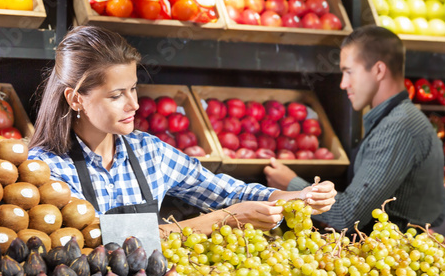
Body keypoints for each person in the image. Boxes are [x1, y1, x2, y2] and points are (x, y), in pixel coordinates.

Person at [27, 25, 337, 236]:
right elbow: (100, 238)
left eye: (133, 89)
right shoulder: (46, 166)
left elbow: (225, 192)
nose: (133, 105)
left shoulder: (149, 152)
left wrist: (294, 196)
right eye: (116, 95)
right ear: (76, 99)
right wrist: (220, 221)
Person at [265, 25, 445, 232]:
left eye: (349, 72)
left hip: (394, 257)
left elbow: (348, 214)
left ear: (378, 70)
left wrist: (291, 185)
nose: (343, 84)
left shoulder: (399, 126)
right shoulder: (398, 119)